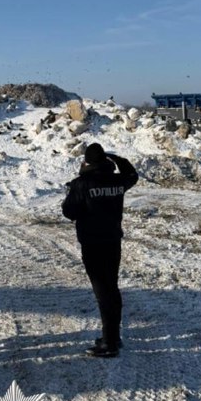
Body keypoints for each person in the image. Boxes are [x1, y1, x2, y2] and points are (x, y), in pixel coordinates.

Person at [62, 142, 138, 358]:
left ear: (86, 162)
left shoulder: (81, 184)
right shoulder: (117, 180)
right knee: (111, 288)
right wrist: (117, 158)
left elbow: (69, 212)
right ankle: (113, 336)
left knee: (103, 292)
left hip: (92, 243)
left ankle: (109, 343)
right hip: (113, 241)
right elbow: (132, 175)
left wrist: (71, 194)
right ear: (104, 160)